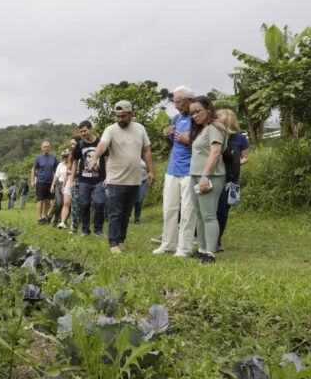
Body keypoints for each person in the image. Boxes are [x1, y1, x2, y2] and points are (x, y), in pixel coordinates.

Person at [87, 101, 155, 254]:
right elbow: (103, 145)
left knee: (126, 213)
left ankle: (121, 240)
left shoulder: (140, 128)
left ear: (131, 113)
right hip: (117, 179)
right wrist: (94, 158)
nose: (119, 119)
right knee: (115, 213)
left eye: (123, 116)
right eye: (117, 116)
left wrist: (151, 171)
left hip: (135, 178)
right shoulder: (111, 130)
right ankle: (113, 244)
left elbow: (146, 151)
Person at [154, 86, 197, 257]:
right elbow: (174, 144)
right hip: (172, 169)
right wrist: (168, 136)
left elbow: (206, 146)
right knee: (169, 208)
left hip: (190, 170)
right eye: (175, 103)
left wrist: (189, 140)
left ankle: (184, 248)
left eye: (179, 103)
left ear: (189, 100)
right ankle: (168, 244)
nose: (176, 106)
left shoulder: (199, 119)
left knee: (187, 210)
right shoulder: (176, 118)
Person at [188, 96, 227, 264]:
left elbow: (215, 153)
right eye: (192, 113)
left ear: (209, 110)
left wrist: (205, 176)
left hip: (211, 176)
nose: (194, 115)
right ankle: (202, 249)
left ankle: (210, 253)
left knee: (209, 215)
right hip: (195, 175)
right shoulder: (201, 129)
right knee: (199, 214)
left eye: (198, 111)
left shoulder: (215, 127)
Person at [215, 109, 249, 252]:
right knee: (211, 210)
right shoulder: (214, 136)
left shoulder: (240, 138)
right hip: (215, 177)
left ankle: (217, 240)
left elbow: (245, 157)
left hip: (230, 180)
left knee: (223, 211)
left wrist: (235, 164)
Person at [73, 120, 108, 237]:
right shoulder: (80, 145)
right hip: (84, 180)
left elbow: (107, 160)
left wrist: (107, 177)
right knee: (84, 205)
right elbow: (74, 163)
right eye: (81, 131)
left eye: (85, 130)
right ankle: (85, 230)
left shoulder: (101, 143)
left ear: (91, 129)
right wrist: (72, 179)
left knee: (99, 204)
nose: (83, 133)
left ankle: (98, 230)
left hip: (99, 179)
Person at [31, 141, 57, 225]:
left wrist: (55, 182)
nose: (46, 148)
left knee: (48, 201)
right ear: (42, 147)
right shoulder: (38, 158)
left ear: (50, 147)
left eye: (48, 147)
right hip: (40, 182)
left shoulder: (53, 157)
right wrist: (32, 181)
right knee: (40, 201)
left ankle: (44, 216)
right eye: (45, 147)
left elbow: (56, 171)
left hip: (50, 182)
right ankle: (39, 218)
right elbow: (33, 170)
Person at [51, 149, 73, 228]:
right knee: (59, 203)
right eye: (63, 156)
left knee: (67, 204)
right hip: (59, 184)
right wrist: (52, 185)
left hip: (68, 184)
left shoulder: (72, 164)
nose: (65, 158)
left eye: (66, 156)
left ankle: (64, 221)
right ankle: (55, 219)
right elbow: (56, 175)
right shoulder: (60, 165)